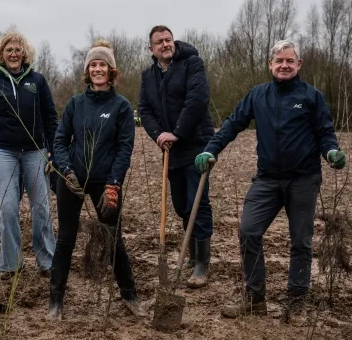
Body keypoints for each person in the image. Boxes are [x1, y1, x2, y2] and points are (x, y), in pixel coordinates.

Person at [195, 40, 346, 319]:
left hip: (303, 180)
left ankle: (296, 302)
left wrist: (332, 152)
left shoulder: (312, 97)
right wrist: (210, 150)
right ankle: (255, 299)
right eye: (279, 61)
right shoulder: (258, 95)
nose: (284, 65)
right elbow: (232, 124)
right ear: (270, 65)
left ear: (298, 64)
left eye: (290, 61)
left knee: (301, 241)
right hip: (266, 179)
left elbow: (326, 133)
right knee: (249, 231)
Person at [49, 40, 146, 318]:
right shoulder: (76, 104)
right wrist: (66, 171)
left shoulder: (122, 107)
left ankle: (130, 297)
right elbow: (59, 141)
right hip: (72, 182)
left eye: (102, 64)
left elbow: (124, 148)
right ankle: (55, 301)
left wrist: (114, 184)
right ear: (87, 71)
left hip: (106, 183)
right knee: (65, 239)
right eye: (93, 64)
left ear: (111, 70)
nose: (98, 69)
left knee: (113, 239)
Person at [0, 31, 58, 279]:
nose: (14, 53)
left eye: (18, 49)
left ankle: (48, 262)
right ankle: (11, 264)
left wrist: (54, 150)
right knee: (7, 208)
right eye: (9, 50)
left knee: (41, 208)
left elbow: (51, 117)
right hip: (4, 152)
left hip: (35, 151)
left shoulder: (37, 82)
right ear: (1, 55)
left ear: (25, 53)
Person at [138, 25, 215, 288]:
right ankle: (192, 255)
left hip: (195, 144)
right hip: (170, 149)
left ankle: (202, 264)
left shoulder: (192, 63)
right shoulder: (148, 76)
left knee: (198, 203)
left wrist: (177, 133)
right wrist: (159, 135)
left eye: (168, 40)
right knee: (182, 204)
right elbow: (144, 109)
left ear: (174, 42)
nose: (165, 44)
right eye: (159, 42)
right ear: (151, 49)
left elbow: (198, 99)